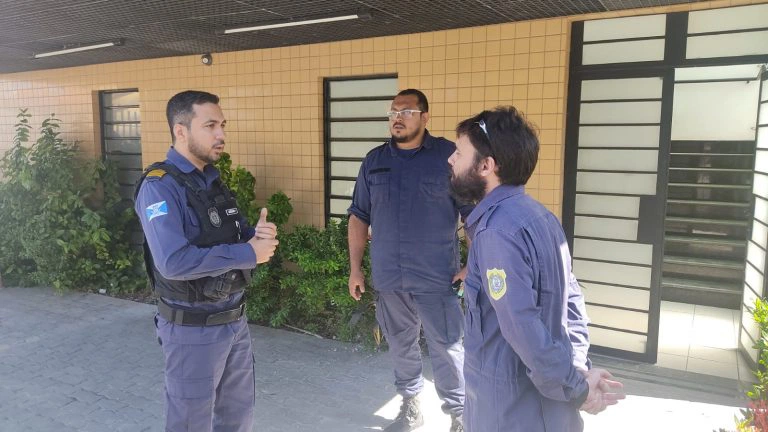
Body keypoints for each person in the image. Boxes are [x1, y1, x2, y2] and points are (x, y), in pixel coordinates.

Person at [447, 106, 624, 432]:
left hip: (508, 411)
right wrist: (577, 368)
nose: (451, 160)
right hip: (548, 410)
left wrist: (578, 387)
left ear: (486, 166)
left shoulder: (495, 232)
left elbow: (522, 327)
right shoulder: (541, 217)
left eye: (459, 152)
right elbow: (573, 299)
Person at [134, 90, 278, 432]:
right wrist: (248, 253)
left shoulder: (212, 181)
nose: (221, 134)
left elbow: (237, 235)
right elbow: (173, 262)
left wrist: (256, 237)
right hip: (191, 329)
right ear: (180, 131)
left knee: (237, 417)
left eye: (222, 125)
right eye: (210, 125)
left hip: (234, 321)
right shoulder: (159, 187)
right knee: (190, 424)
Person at [347, 89, 471, 432]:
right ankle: (411, 406)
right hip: (390, 278)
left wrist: (472, 264)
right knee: (401, 345)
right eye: (392, 113)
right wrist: (355, 269)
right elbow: (358, 216)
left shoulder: (448, 156)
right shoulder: (374, 161)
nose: (397, 118)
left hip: (438, 278)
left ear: (425, 117)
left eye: (406, 112)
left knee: (447, 348)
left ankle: (461, 415)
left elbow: (473, 213)